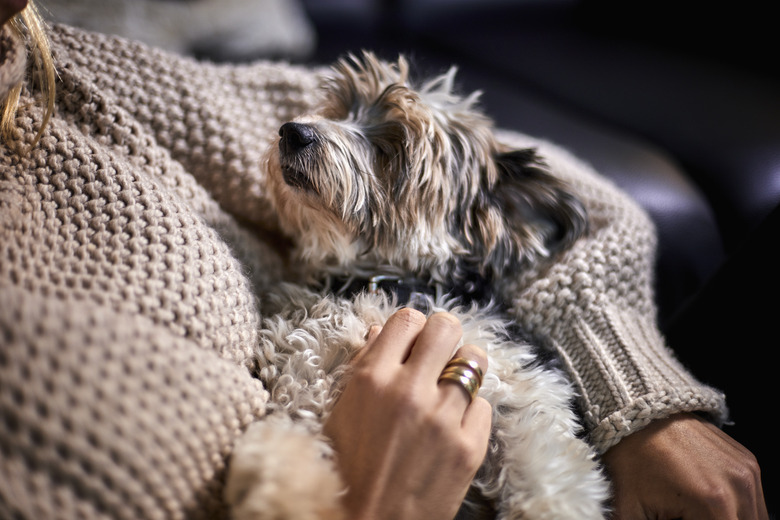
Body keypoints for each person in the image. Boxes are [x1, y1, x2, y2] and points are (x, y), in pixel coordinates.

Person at [0, 1, 768, 519]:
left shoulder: (59, 66)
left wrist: (644, 410)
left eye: (387, 147)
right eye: (340, 119)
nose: (303, 129)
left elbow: (588, 204)